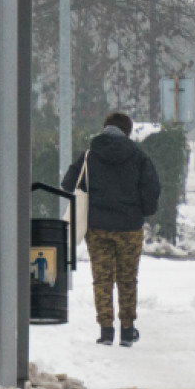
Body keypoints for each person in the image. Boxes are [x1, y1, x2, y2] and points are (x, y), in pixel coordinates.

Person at [61, 112, 161, 346]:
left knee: (102, 279)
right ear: (128, 131)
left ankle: (106, 330)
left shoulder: (89, 156)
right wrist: (142, 210)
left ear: (105, 128)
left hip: (97, 228)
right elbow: (152, 187)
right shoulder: (138, 156)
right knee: (127, 279)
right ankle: (127, 330)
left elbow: (68, 184)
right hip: (129, 227)